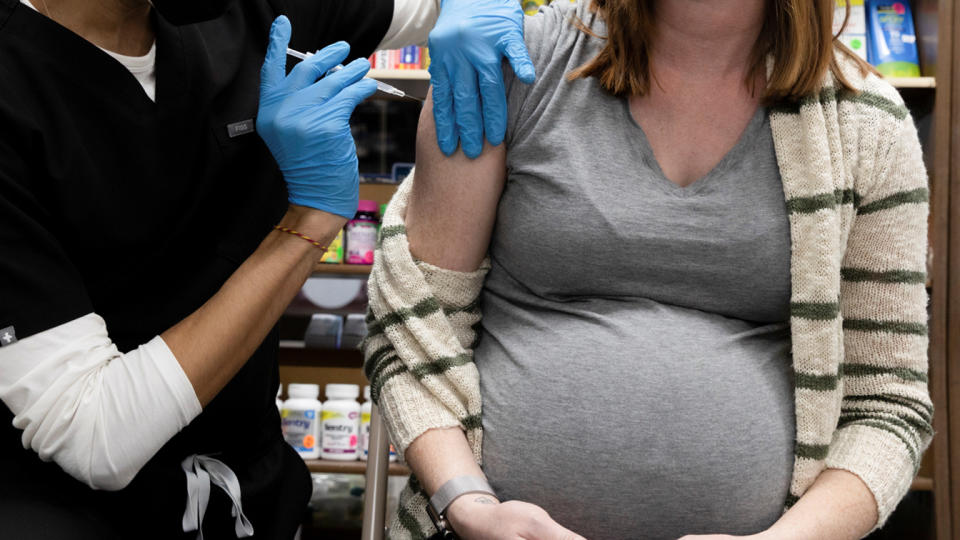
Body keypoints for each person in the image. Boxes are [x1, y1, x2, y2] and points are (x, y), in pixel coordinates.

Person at [364, 0, 934, 538]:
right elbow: (416, 326)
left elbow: (887, 408)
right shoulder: (510, 65)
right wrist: (467, 504)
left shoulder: (866, 125)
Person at [0, 0, 536, 538]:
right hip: (70, 511)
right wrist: (309, 221)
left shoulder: (255, 11)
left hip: (251, 488)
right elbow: (92, 432)